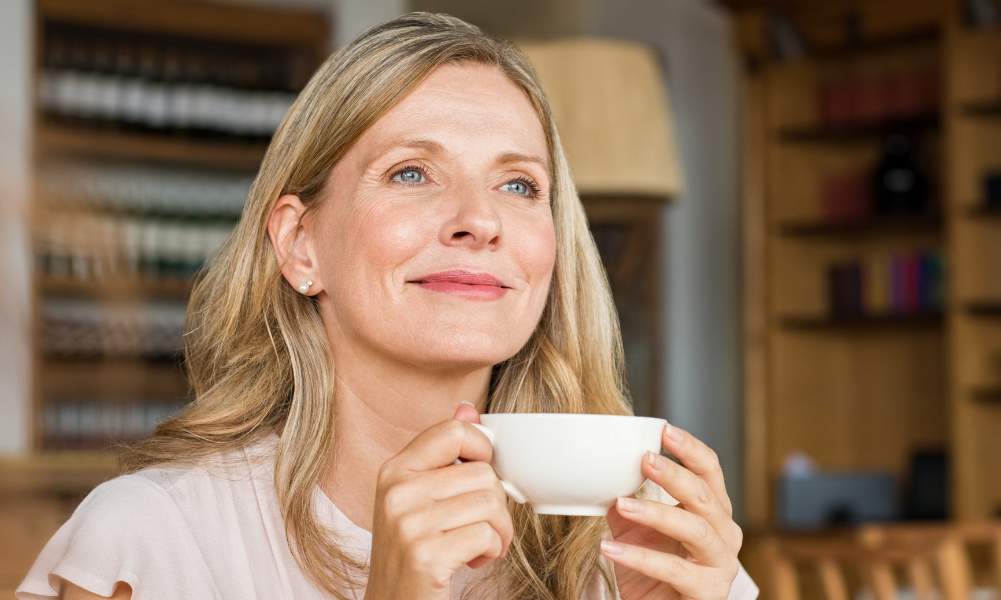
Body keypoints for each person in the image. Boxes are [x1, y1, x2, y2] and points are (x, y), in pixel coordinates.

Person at [18, 13, 757, 600]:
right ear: (300, 245)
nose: (481, 219)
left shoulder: (655, 553)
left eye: (520, 185)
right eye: (412, 172)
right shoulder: (154, 540)